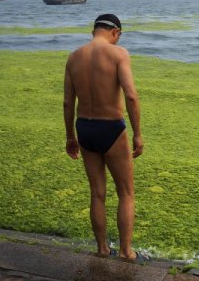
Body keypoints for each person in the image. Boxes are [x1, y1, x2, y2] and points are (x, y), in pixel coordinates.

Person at [63, 13, 144, 261]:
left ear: (94, 31)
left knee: (97, 193)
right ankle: (125, 251)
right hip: (111, 128)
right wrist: (138, 134)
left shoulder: (74, 57)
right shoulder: (119, 54)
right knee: (126, 193)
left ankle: (101, 249)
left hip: (84, 128)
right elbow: (131, 96)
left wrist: (70, 136)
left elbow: (68, 102)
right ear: (115, 32)